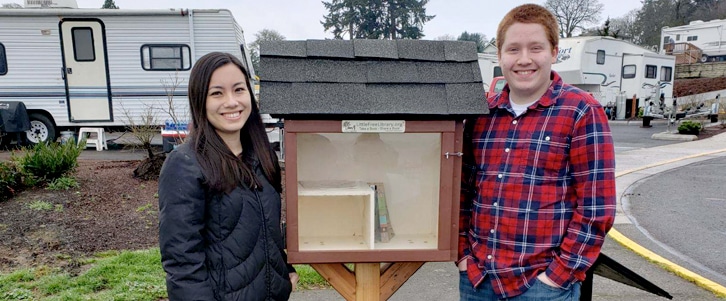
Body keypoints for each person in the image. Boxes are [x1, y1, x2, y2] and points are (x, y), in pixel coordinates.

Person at [458, 4, 616, 300]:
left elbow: (597, 209)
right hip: (479, 281)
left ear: (554, 52)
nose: (524, 59)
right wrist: (462, 255)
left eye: (536, 48)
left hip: (541, 286)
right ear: (500, 56)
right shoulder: (480, 115)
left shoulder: (581, 112)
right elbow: (462, 192)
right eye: (513, 49)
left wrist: (557, 277)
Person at [158, 52, 298, 301]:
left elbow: (267, 228)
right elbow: (183, 263)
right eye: (217, 93)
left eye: (239, 90)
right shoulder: (185, 164)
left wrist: (284, 268)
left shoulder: (262, 156)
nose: (232, 102)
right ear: (200, 100)